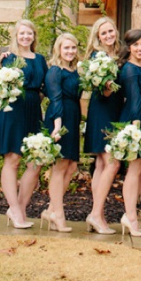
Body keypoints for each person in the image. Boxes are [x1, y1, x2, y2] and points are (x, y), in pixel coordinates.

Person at [0, 18, 48, 229]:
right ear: (16, 36)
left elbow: (45, 86)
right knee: (13, 159)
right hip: (14, 109)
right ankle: (14, 208)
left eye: (29, 33)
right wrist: (0, 62)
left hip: (34, 109)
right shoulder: (9, 58)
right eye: (22, 33)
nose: (26, 37)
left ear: (34, 36)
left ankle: (21, 207)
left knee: (35, 161)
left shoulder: (40, 59)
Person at [83, 16, 124, 235]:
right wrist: (107, 87)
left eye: (111, 31)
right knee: (112, 162)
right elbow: (103, 90)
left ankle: (96, 213)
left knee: (101, 163)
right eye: (104, 33)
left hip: (114, 109)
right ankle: (97, 214)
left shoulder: (117, 55)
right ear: (97, 36)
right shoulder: (97, 56)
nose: (109, 36)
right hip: (103, 108)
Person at [42, 32, 82, 233]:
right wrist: (57, 127)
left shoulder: (74, 70)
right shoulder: (55, 71)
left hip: (73, 116)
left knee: (72, 165)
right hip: (60, 117)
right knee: (60, 166)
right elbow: (55, 98)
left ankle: (51, 209)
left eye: (73, 47)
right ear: (59, 49)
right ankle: (59, 214)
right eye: (66, 47)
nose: (70, 51)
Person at [118, 28, 141, 239]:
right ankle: (130, 216)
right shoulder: (130, 69)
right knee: (136, 166)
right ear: (129, 47)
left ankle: (131, 213)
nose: (140, 48)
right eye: (135, 45)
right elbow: (134, 99)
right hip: (136, 119)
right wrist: (136, 128)